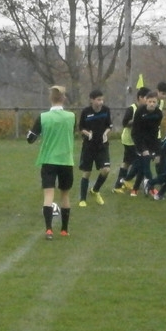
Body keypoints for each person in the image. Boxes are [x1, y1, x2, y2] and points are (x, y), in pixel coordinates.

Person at [26, 86, 75, 240]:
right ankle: (64, 229)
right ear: (64, 98)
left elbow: (30, 139)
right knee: (65, 195)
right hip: (66, 160)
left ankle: (48, 230)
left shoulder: (43, 117)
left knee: (49, 195)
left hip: (48, 160)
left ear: (50, 98)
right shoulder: (71, 116)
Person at [77, 89, 112, 207]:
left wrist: (105, 133)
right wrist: (88, 134)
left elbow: (109, 126)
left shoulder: (106, 110)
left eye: (102, 99)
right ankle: (82, 199)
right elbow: (81, 127)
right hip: (89, 146)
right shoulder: (86, 112)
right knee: (87, 172)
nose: (101, 102)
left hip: (102, 145)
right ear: (91, 100)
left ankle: (95, 190)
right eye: (98, 100)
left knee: (106, 170)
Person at [127, 89, 163, 196]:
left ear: (157, 103)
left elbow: (155, 131)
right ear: (146, 101)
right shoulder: (140, 111)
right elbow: (136, 131)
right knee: (146, 161)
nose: (152, 104)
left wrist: (156, 148)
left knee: (143, 165)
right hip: (139, 138)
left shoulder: (158, 114)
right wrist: (142, 148)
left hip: (151, 140)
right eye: (150, 101)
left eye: (154, 102)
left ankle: (135, 189)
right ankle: (151, 187)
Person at [113, 86, 149, 192]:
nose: (148, 101)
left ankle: (119, 185)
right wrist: (136, 121)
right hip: (129, 140)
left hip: (138, 140)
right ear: (140, 97)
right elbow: (125, 123)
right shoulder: (132, 108)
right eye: (146, 98)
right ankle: (125, 181)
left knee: (127, 162)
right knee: (139, 162)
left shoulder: (146, 109)